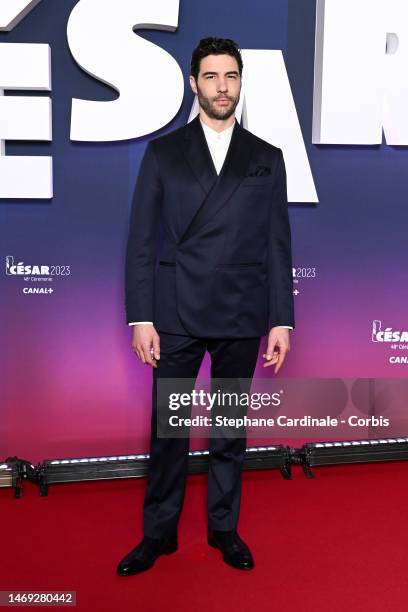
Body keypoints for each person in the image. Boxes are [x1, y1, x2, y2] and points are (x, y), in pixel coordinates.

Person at [117, 37, 294, 576]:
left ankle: (223, 528)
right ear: (193, 84)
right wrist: (141, 316)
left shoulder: (267, 157)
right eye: (212, 77)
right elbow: (142, 241)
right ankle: (158, 533)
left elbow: (277, 245)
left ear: (241, 83)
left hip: (242, 313)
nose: (222, 87)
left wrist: (281, 319)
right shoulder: (164, 153)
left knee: (229, 429)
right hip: (176, 314)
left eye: (231, 76)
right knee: (169, 430)